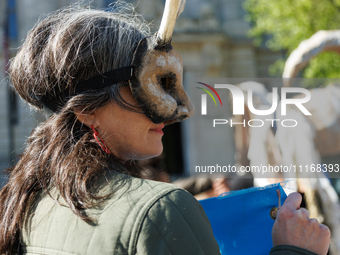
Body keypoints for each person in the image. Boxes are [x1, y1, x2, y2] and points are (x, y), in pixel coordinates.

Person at [0, 3, 330, 255]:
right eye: (149, 86)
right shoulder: (161, 210)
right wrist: (294, 249)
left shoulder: (31, 205)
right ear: (87, 109)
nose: (175, 112)